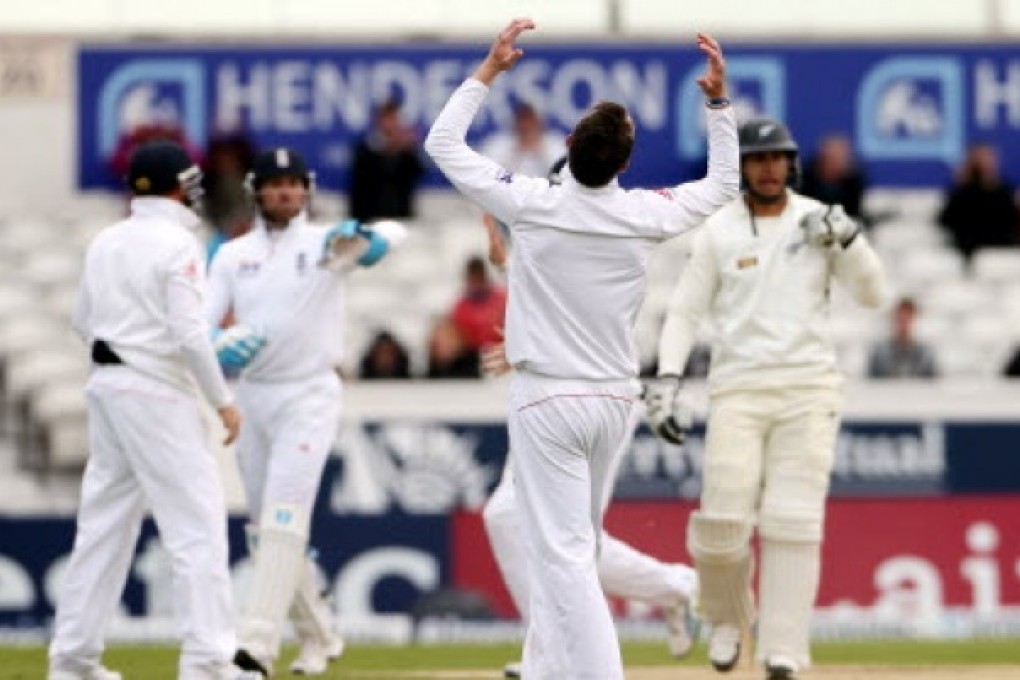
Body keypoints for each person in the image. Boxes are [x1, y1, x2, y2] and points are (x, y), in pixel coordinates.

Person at [425, 19, 738, 679]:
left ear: (566, 146)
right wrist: (717, 105)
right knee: (571, 547)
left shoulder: (531, 202)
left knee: (564, 558)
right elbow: (720, 186)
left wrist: (487, 73)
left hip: (550, 397)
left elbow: (442, 141)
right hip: (614, 399)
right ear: (625, 163)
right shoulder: (644, 212)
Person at [647, 117, 889, 679]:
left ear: (792, 163)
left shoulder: (819, 220)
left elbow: (875, 295)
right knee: (722, 522)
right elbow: (684, 310)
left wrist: (851, 244)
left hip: (809, 388)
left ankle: (784, 650)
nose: (769, 167)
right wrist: (666, 379)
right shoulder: (719, 231)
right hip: (738, 389)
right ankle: (728, 619)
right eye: (758, 159)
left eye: (778, 158)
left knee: (793, 518)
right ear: (744, 168)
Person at [50, 141, 257, 680]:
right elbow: (190, 333)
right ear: (175, 186)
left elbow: (80, 322)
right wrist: (223, 402)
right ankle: (209, 662)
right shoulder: (179, 243)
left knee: (103, 528)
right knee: (197, 525)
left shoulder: (106, 240)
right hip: (157, 391)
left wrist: (125, 356)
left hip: (107, 386)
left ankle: (72, 662)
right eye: (189, 181)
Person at [206, 147, 407, 676]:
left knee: (283, 517)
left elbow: (392, 236)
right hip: (254, 395)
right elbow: (199, 323)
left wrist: (369, 240)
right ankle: (320, 635)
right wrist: (218, 342)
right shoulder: (232, 255)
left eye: (294, 183)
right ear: (258, 190)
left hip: (311, 393)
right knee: (263, 532)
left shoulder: (327, 243)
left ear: (307, 189)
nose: (285, 192)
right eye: (275, 184)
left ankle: (256, 647)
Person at [938, 144, 1020, 262]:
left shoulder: (1004, 192)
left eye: (988, 159)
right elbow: (945, 221)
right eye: (979, 159)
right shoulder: (960, 194)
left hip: (1002, 249)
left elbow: (1011, 221)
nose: (984, 163)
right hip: (968, 252)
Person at [347, 99, 424, 222]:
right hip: (370, 217)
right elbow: (363, 182)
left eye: (394, 119)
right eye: (387, 118)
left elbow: (418, 173)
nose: (390, 124)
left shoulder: (407, 150)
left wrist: (408, 150)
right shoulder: (366, 148)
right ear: (378, 120)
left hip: (401, 216)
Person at [480, 102, 566, 178]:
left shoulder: (555, 144)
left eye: (530, 121)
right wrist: (515, 152)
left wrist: (540, 151)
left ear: (541, 122)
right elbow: (487, 174)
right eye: (522, 120)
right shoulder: (499, 144)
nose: (525, 125)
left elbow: (563, 174)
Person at [800, 134, 868, 226]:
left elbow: (853, 213)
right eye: (831, 159)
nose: (835, 164)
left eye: (839, 159)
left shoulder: (853, 183)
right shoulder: (804, 181)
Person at [867, 298, 939, 379]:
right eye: (901, 319)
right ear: (893, 319)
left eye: (908, 319)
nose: (904, 324)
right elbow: (871, 384)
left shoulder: (926, 354)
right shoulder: (880, 353)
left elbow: (933, 384)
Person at [450, 256, 507, 352]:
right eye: (473, 277)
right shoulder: (460, 307)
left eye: (479, 277)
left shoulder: (502, 299)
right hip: (472, 357)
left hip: (502, 352)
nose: (477, 282)